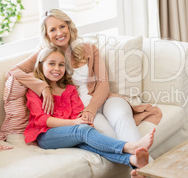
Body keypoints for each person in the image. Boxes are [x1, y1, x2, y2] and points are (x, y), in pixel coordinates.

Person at [8, 9, 161, 146]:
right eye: (53, 29)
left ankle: (144, 167)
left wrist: (91, 109)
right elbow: (15, 70)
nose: (59, 32)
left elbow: (103, 83)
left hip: (105, 100)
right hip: (79, 111)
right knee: (114, 139)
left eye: (62, 26)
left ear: (69, 27)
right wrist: (42, 86)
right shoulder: (46, 56)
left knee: (121, 116)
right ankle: (145, 167)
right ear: (47, 34)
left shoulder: (89, 49)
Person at [24, 46, 155, 178]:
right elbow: (42, 120)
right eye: (51, 63)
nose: (57, 68)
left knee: (90, 142)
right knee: (81, 131)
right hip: (46, 135)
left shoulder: (70, 89)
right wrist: (76, 123)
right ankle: (129, 146)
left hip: (68, 132)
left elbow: (77, 112)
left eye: (61, 64)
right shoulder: (36, 91)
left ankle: (134, 162)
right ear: (41, 65)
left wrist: (84, 122)